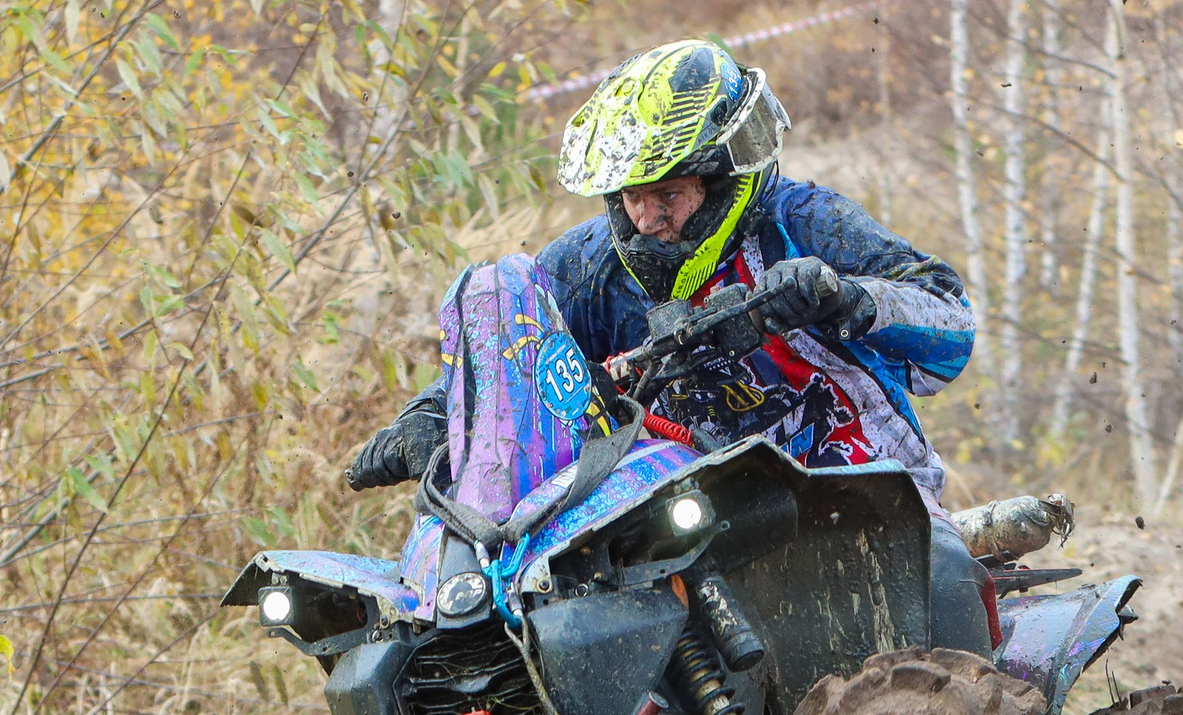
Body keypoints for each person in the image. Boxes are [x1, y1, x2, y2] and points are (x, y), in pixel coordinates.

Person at [345, 39, 975, 517]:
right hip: (686, 521)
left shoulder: (803, 222)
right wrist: (431, 418)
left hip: (866, 502)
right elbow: (512, 347)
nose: (645, 219)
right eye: (628, 196)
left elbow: (953, 330)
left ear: (722, 175)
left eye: (668, 193)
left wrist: (846, 299)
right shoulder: (589, 263)